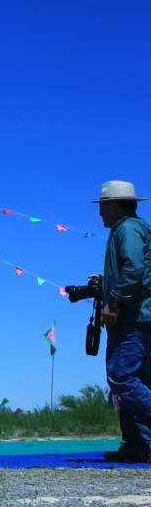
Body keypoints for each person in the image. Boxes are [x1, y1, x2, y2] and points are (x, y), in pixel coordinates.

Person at [93, 181, 151, 464]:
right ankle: (138, 444)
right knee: (136, 379)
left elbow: (134, 268)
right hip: (138, 315)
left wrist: (113, 301)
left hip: (132, 317)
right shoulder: (133, 229)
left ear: (113, 205)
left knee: (121, 376)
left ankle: (139, 441)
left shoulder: (127, 229)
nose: (100, 213)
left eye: (102, 207)